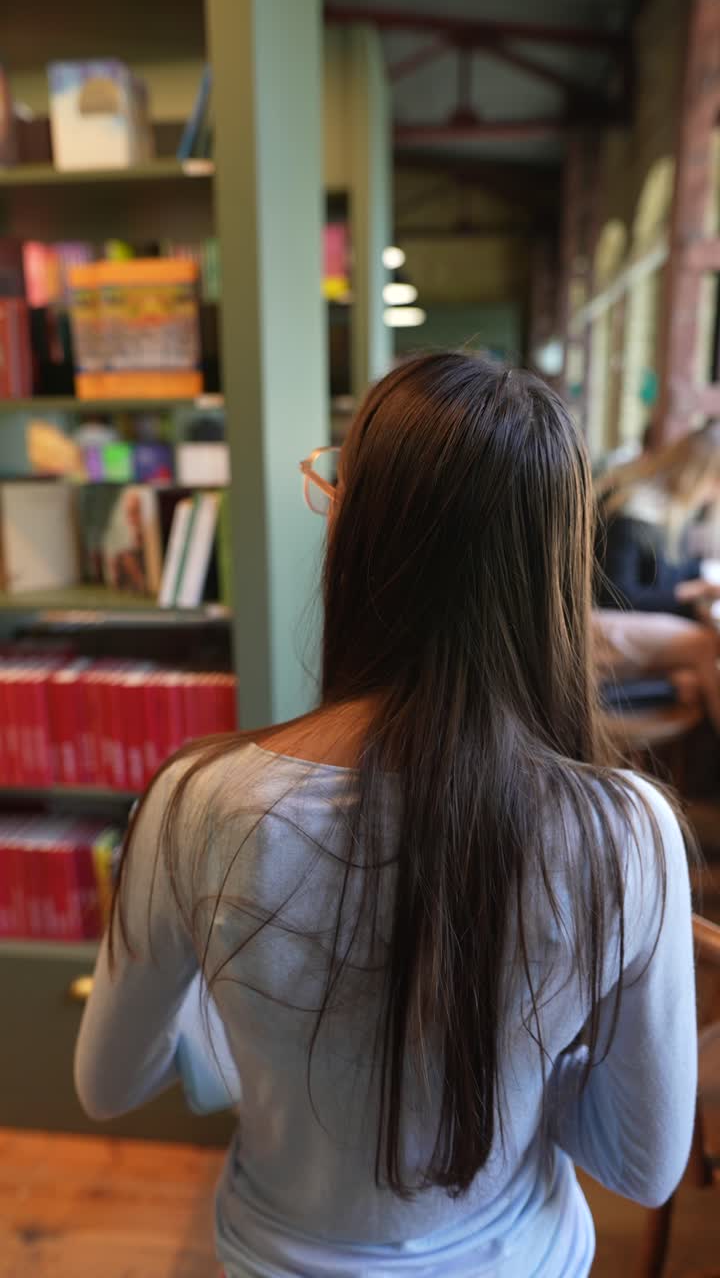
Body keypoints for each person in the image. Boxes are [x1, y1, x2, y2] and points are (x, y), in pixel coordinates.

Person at [75, 355, 696, 1278]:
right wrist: (516, 1061)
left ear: (359, 538)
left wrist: (245, 1028)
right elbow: (645, 1167)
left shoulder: (195, 801)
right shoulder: (628, 832)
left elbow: (107, 1084)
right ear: (554, 564)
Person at [596, 421, 720, 731]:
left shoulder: (658, 504)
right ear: (700, 476)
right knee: (707, 647)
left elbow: (660, 574)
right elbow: (618, 596)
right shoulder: (633, 512)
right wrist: (689, 592)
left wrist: (699, 579)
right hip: (593, 621)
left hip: (611, 617)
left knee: (693, 680)